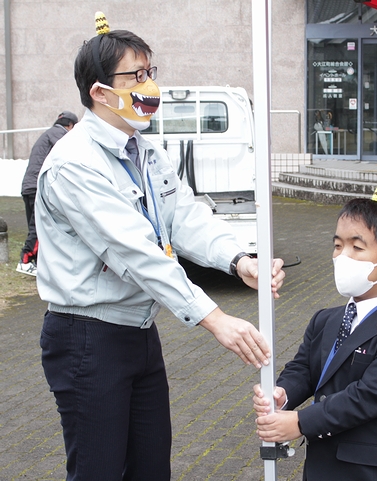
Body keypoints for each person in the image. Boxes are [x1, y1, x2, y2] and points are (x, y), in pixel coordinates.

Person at [35, 22, 285, 481]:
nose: (150, 85)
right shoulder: (74, 164)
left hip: (139, 333)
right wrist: (215, 318)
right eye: (136, 76)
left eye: (151, 71)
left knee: (152, 468)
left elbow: (185, 216)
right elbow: (136, 253)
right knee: (100, 471)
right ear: (100, 92)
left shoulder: (144, 151)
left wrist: (238, 259)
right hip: (87, 338)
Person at [253, 198, 377, 480]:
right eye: (337, 245)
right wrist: (283, 394)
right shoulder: (326, 319)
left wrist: (299, 422)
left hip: (367, 473)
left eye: (356, 247)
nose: (341, 256)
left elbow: (364, 398)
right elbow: (303, 369)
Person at [16, 111, 78, 276]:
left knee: (35, 224)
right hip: (38, 186)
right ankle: (25, 260)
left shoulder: (48, 134)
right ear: (70, 125)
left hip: (29, 185)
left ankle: (37, 262)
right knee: (39, 225)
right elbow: (72, 155)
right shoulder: (61, 135)